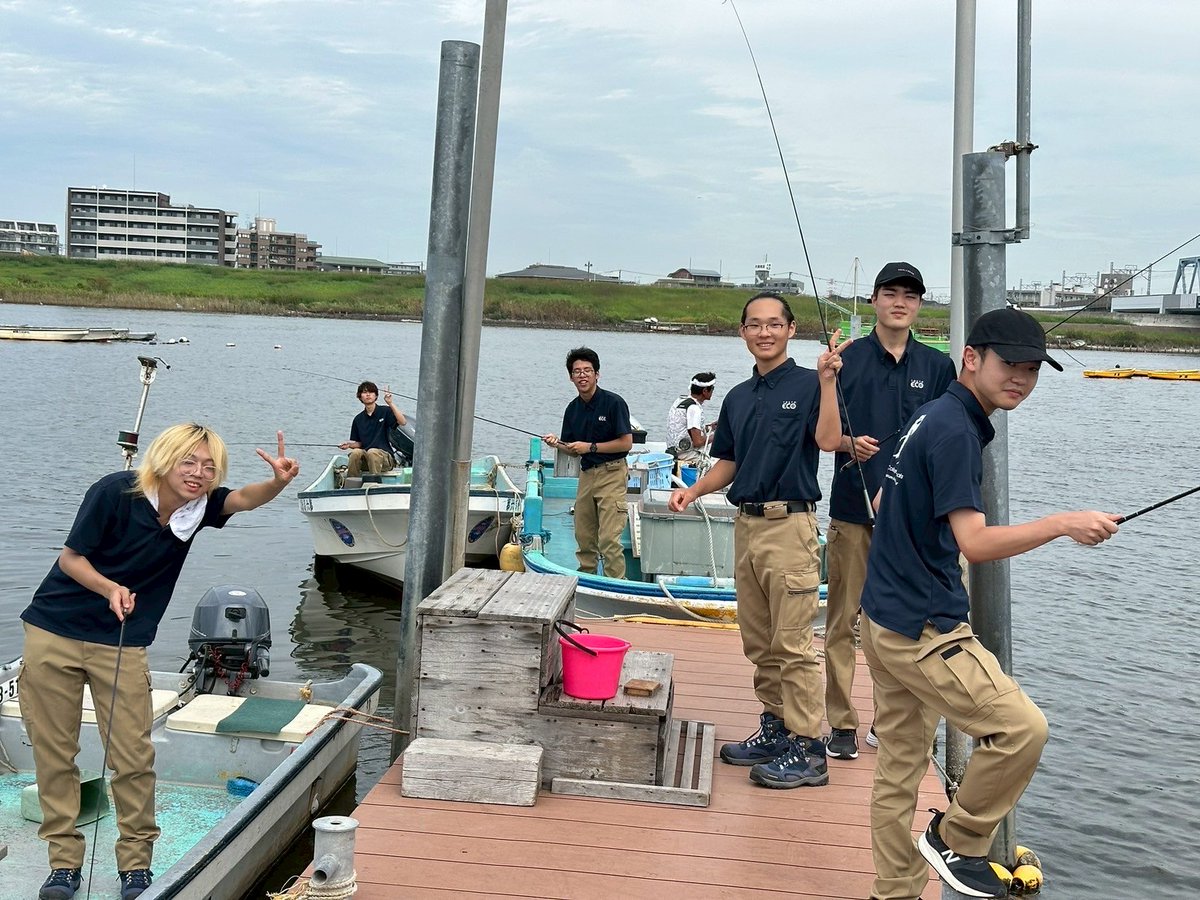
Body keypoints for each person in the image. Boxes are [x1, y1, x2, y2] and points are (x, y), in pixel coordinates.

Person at [858, 307, 1119, 900]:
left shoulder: (931, 416)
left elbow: (881, 498)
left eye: (1032, 370)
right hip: (924, 629)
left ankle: (893, 891)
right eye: (1010, 365)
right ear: (972, 359)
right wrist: (1061, 524)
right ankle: (958, 839)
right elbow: (975, 544)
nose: (1021, 380)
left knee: (899, 770)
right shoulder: (954, 430)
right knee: (1022, 729)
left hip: (882, 619)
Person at [19, 424, 300, 900]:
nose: (198, 473)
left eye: (209, 467)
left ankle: (135, 866)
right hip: (55, 632)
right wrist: (110, 587)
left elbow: (245, 499)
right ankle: (64, 865)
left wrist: (278, 482)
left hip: (123, 643)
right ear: (164, 459)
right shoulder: (114, 492)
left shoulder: (200, 507)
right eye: (188, 462)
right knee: (54, 756)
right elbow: (70, 559)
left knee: (132, 757)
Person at [668, 292, 847, 789]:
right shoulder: (738, 398)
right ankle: (776, 729)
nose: (764, 332)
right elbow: (729, 462)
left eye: (774, 324)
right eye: (755, 325)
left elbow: (830, 441)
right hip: (745, 525)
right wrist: (695, 491)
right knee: (760, 641)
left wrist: (829, 382)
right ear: (742, 332)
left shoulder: (811, 384)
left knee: (792, 644)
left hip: (789, 525)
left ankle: (810, 749)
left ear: (791, 330)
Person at [823, 262, 957, 761]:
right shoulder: (846, 359)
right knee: (842, 621)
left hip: (912, 523)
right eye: (890, 293)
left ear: (919, 305)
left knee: (903, 625)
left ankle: (888, 721)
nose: (900, 302)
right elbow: (820, 435)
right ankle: (840, 722)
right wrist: (846, 442)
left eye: (910, 295)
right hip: (852, 509)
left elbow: (948, 439)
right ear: (874, 299)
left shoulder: (937, 367)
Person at [542, 347, 633, 579]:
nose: (582, 376)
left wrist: (590, 447)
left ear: (597, 374)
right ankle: (586, 581)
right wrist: (556, 444)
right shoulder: (572, 409)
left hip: (612, 472)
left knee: (609, 539)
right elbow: (573, 450)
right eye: (577, 372)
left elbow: (626, 443)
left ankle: (617, 586)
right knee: (584, 536)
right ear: (570, 377)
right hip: (587, 475)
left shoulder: (614, 403)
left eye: (587, 371)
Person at [339, 380, 406, 477]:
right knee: (355, 452)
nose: (368, 395)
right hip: (367, 458)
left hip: (385, 458)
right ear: (360, 396)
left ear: (376, 396)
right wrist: (348, 445)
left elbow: (402, 422)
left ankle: (374, 483)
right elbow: (360, 443)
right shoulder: (358, 419)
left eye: (371, 392)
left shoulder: (385, 411)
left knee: (372, 452)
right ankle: (351, 484)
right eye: (364, 392)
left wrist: (390, 403)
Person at [665, 372, 716, 469]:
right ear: (705, 391)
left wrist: (710, 428)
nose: (713, 391)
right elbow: (698, 442)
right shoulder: (694, 408)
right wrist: (716, 436)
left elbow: (685, 428)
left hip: (673, 450)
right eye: (712, 388)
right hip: (686, 454)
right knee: (720, 467)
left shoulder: (680, 401)